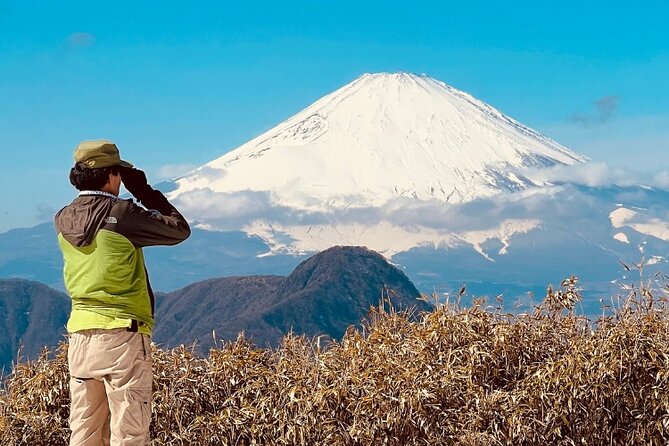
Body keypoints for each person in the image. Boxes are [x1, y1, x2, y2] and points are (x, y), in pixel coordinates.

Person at [54, 140, 191, 446]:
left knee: (85, 432)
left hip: (79, 336)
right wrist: (144, 191)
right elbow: (179, 230)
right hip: (122, 336)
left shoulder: (63, 218)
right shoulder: (123, 214)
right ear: (113, 175)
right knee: (129, 433)